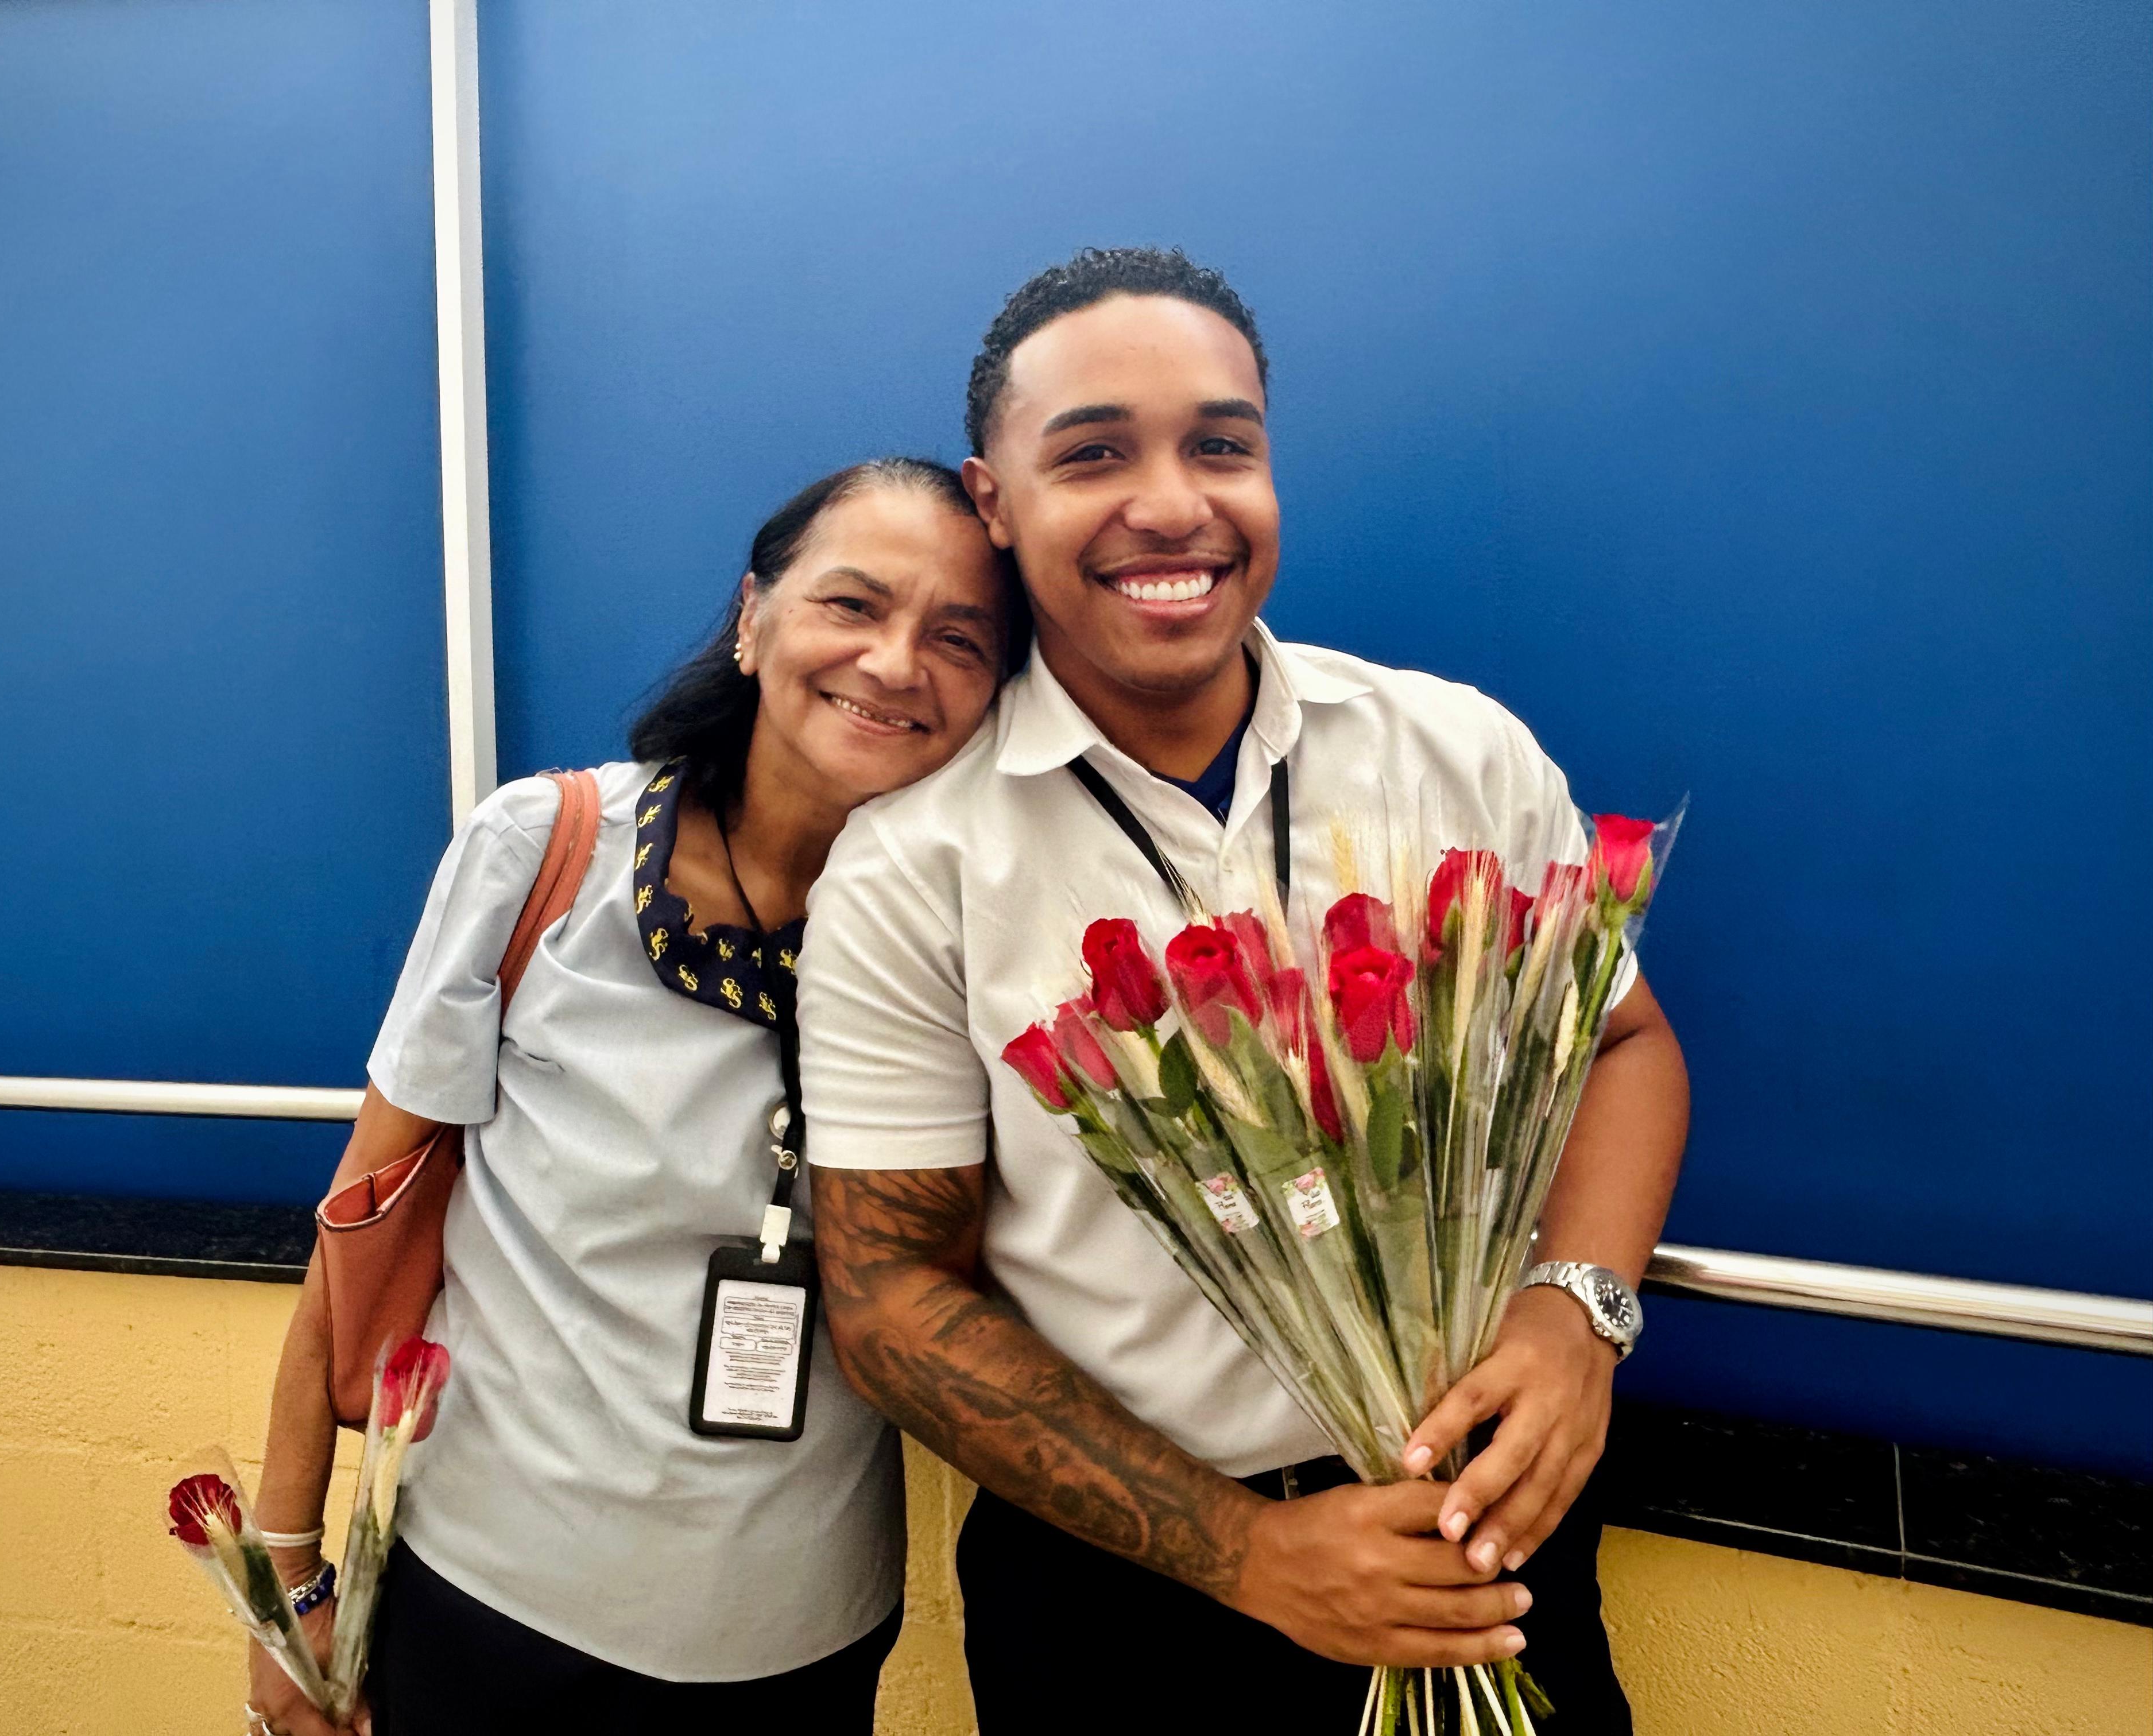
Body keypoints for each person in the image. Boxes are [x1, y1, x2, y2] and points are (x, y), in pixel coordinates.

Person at [799, 250, 1690, 1732]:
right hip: (1126, 1600)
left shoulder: (1456, 751)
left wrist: (1576, 1319)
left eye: (1221, 445)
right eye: (1095, 455)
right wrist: (1249, 1555)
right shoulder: (913, 867)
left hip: (1486, 1537)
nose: (1172, 504)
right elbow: (893, 1298)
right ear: (995, 503)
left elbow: (1625, 1047)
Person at [245, 458, 1023, 1736]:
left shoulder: (973, 936)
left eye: (960, 638)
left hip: (801, 1629)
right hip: (490, 1597)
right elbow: (359, 1222)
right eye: (853, 604)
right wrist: (288, 1574)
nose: (896, 663)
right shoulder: (545, 852)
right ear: (753, 618)